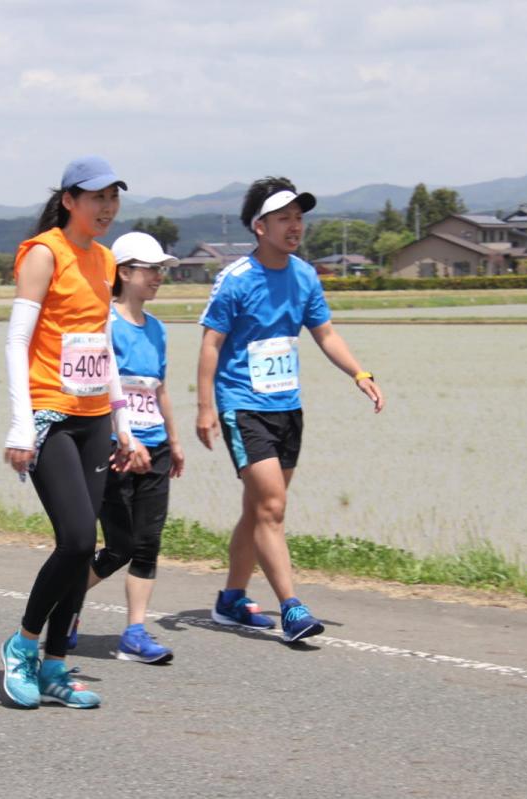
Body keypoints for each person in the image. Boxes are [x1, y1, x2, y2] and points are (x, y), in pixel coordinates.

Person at [195, 176, 385, 643]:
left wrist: (360, 374)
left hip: (287, 406)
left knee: (257, 509)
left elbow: (325, 334)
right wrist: (205, 408)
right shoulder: (236, 279)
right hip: (243, 406)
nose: (295, 226)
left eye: (299, 218)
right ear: (260, 226)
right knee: (273, 507)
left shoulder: (303, 275)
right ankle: (292, 608)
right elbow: (210, 344)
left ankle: (231, 600)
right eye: (284, 218)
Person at [0, 156, 149, 709]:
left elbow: (100, 348)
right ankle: (22, 646)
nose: (107, 208)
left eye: (114, 198)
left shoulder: (106, 259)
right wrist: (22, 426)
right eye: (96, 198)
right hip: (49, 418)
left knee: (86, 544)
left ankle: (56, 667)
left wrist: (124, 426)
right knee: (79, 541)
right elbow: (17, 342)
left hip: (93, 423)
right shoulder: (45, 253)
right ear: (69, 201)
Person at [67, 232, 184, 664]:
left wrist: (174, 440)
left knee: (147, 544)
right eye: (151, 269)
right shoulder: (104, 325)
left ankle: (135, 633)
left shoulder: (157, 330)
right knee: (119, 545)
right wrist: (123, 440)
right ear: (124, 273)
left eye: (161, 270)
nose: (158, 277)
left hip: (155, 450)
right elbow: (99, 392)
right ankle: (67, 602)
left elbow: (160, 390)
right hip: (114, 449)